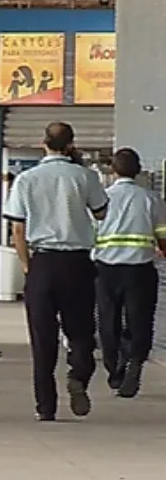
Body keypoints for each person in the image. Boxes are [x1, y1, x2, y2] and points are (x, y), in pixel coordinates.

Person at [3, 122, 108, 421]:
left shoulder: (26, 179)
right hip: (77, 263)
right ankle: (78, 375)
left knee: (42, 338)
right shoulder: (86, 176)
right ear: (72, 144)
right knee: (82, 333)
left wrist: (26, 265)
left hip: (43, 264)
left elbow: (18, 229)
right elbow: (101, 212)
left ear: (43, 143)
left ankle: (45, 407)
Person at [93, 148, 166, 398]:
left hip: (106, 271)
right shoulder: (151, 199)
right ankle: (135, 363)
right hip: (140, 271)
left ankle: (114, 369)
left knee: (108, 322)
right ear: (138, 170)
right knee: (140, 321)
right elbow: (163, 235)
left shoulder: (101, 198)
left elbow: (90, 234)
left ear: (113, 170)